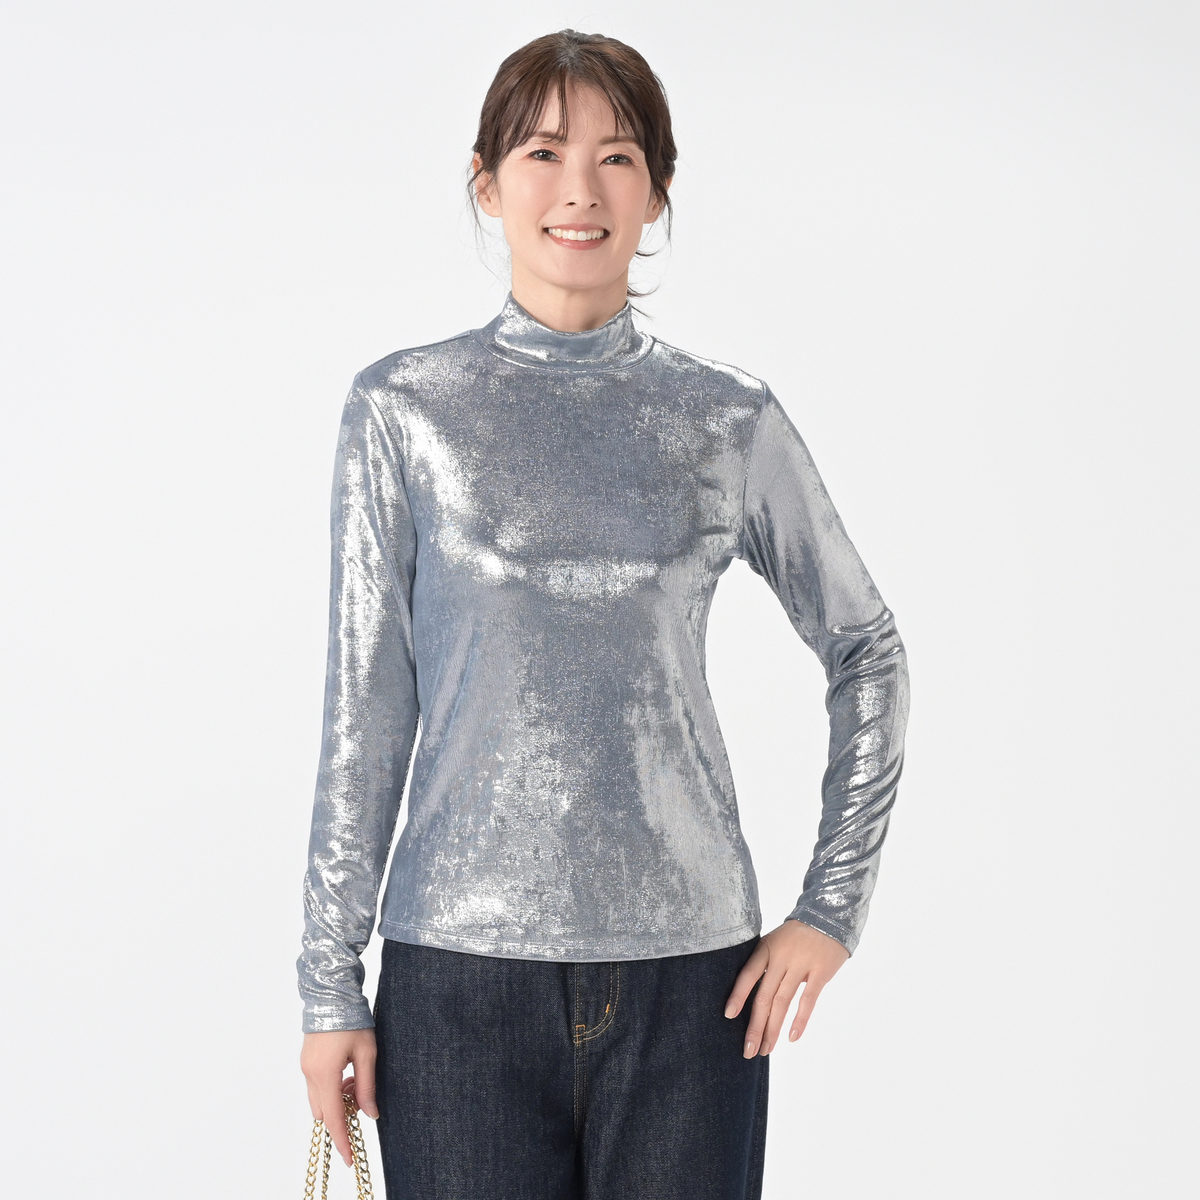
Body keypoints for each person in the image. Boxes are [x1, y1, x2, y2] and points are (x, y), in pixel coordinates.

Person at [297, 28, 909, 1200]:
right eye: (542, 152)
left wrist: (831, 907)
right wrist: (330, 984)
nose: (579, 189)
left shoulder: (725, 419)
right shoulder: (403, 411)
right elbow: (365, 708)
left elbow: (867, 648)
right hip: (459, 985)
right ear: (487, 183)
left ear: (657, 190)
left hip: (693, 986)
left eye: (616, 157)